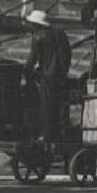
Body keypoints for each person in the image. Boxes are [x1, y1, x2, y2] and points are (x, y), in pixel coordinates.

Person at [23, 10, 71, 142]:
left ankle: (46, 135)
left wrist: (27, 74)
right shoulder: (61, 34)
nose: (30, 26)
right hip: (61, 76)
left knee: (46, 105)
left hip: (48, 76)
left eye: (31, 24)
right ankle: (63, 134)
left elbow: (32, 59)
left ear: (36, 24)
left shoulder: (38, 36)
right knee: (61, 105)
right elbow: (67, 54)